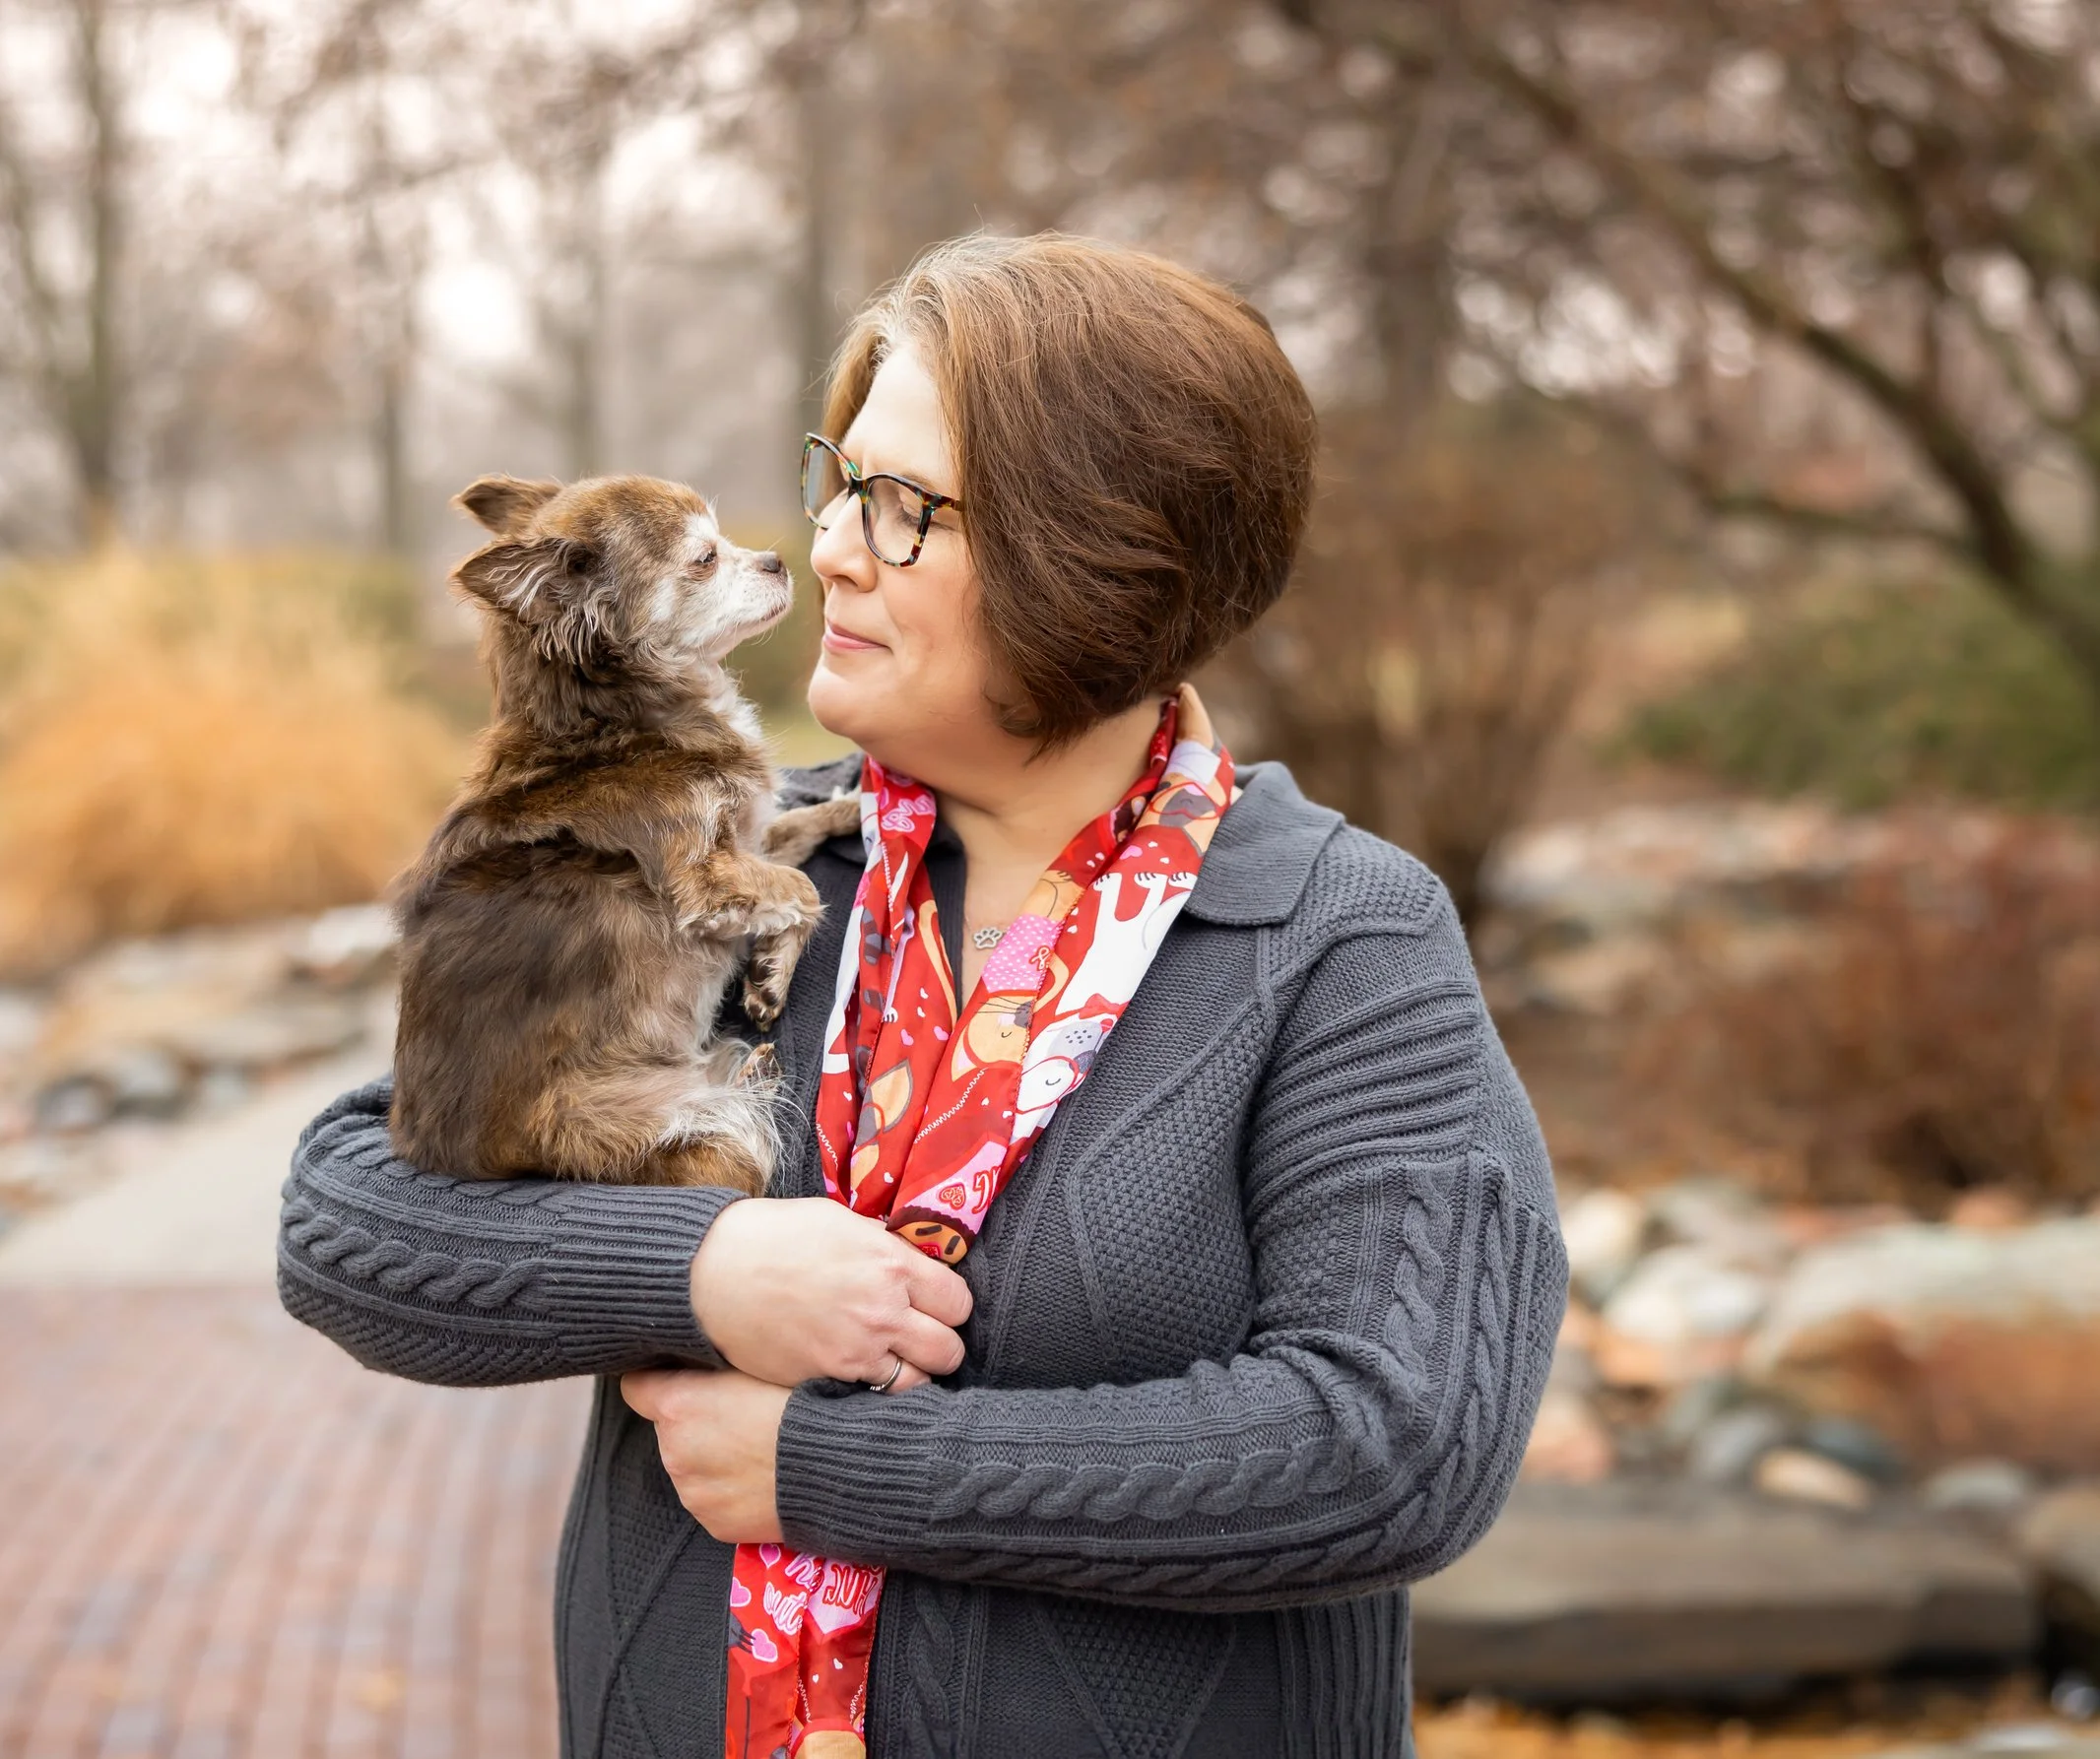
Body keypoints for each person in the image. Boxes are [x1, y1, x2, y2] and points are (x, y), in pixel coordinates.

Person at [279, 231, 1565, 1759]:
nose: (827, 544)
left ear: (1100, 551)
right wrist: (703, 1265)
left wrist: (830, 1466)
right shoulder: (739, 867)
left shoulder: (1337, 937)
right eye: (841, 476)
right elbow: (355, 1221)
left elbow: (1394, 1449)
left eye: (903, 507)